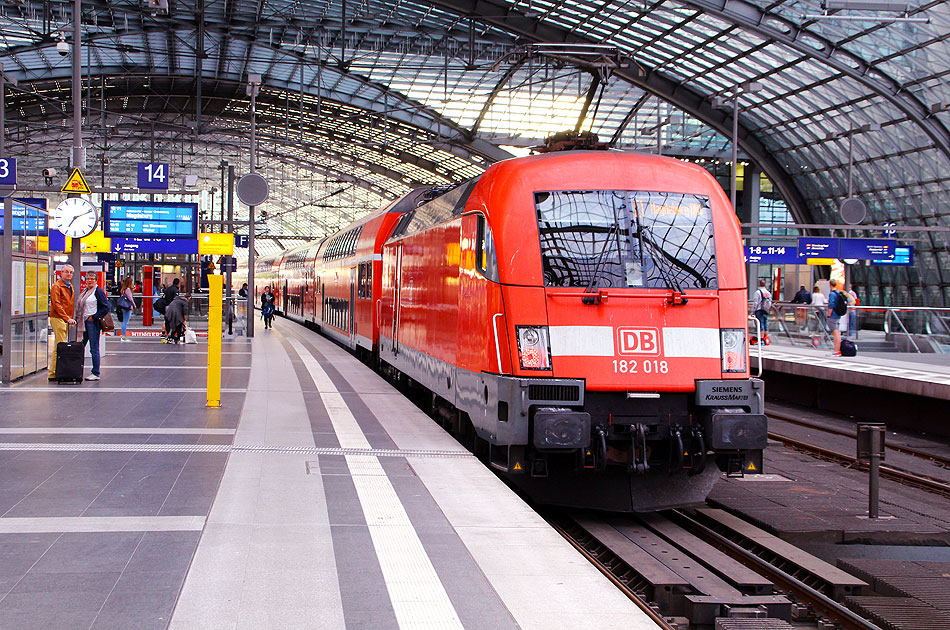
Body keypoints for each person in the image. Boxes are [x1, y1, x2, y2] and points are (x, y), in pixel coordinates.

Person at [75, 271, 110, 380]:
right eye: (87, 278)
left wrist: (94, 317)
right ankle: (75, 369)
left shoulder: (98, 292)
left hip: (92, 323)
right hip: (83, 322)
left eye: (92, 279)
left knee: (94, 348)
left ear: (96, 280)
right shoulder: (85, 291)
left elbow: (106, 307)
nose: (89, 281)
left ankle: (96, 372)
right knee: (80, 346)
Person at [49, 264, 77, 381]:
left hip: (65, 318)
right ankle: (54, 373)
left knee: (59, 345)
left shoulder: (69, 286)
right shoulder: (57, 286)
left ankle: (55, 371)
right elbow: (57, 304)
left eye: (71, 272)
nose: (69, 274)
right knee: (60, 346)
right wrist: (67, 318)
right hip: (58, 318)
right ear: (61, 272)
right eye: (66, 272)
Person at [827, 278, 848, 356]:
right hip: (838, 314)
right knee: (837, 332)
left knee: (835, 332)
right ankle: (837, 350)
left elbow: (831, 305)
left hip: (833, 315)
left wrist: (828, 315)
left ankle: (836, 350)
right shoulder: (839, 292)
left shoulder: (832, 294)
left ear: (830, 285)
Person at [751, 279, 772, 345]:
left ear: (759, 284)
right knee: (765, 324)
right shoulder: (768, 293)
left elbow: (756, 303)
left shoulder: (758, 292)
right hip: (766, 310)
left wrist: (753, 311)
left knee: (760, 325)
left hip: (759, 310)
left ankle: (761, 339)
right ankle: (765, 339)